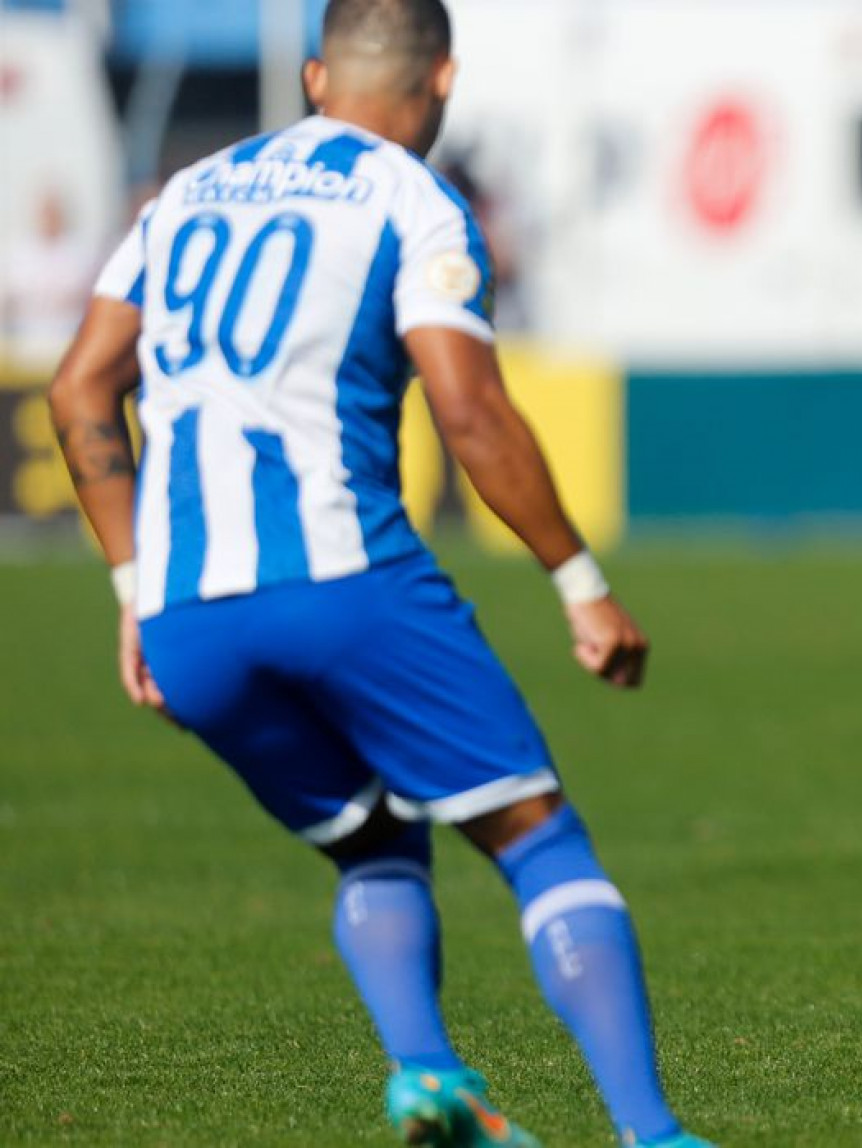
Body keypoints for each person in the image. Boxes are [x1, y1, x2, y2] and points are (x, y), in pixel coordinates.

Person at [46, 2, 708, 1144]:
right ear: (442, 76)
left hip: (184, 609)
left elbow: (77, 389)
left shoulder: (181, 196)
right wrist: (579, 579)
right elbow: (472, 412)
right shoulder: (412, 196)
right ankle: (653, 1133)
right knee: (538, 837)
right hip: (343, 578)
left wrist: (130, 587)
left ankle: (429, 1074)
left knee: (368, 835)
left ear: (312, 74)